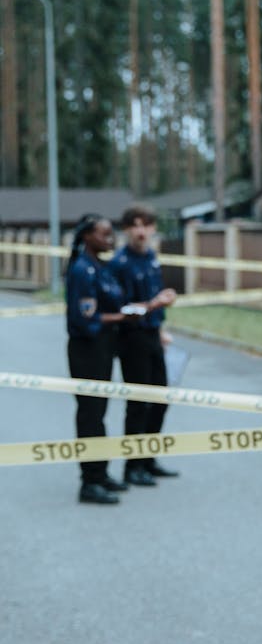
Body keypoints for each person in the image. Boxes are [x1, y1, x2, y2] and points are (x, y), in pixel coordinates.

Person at [66, 214, 132, 505]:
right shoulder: (83, 270)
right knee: (90, 414)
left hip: (103, 346)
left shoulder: (100, 267)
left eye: (111, 233)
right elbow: (85, 318)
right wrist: (122, 317)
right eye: (104, 234)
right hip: (87, 348)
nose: (111, 239)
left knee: (100, 413)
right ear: (87, 237)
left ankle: (101, 472)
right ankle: (89, 481)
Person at [110, 205, 178, 487]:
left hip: (152, 334)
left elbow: (153, 296)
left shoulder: (151, 257)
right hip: (131, 338)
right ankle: (132, 466)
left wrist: (160, 327)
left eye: (146, 225)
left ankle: (149, 459)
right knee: (138, 403)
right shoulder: (119, 264)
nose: (141, 231)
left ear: (152, 228)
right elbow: (120, 308)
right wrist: (154, 304)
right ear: (126, 229)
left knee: (161, 399)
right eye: (134, 225)